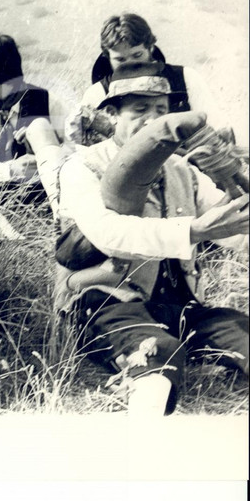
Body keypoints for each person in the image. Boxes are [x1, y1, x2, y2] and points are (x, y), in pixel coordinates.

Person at [56, 63, 249, 415]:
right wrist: (194, 231)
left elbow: (233, 230)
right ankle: (143, 439)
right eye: (140, 109)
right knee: (156, 351)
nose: (153, 119)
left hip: (182, 307)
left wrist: (237, 190)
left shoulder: (182, 168)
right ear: (111, 115)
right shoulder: (82, 167)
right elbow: (108, 233)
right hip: (107, 303)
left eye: (161, 110)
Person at [75, 13, 231, 141]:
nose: (130, 64)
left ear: (150, 48)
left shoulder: (185, 78)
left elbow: (217, 127)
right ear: (107, 57)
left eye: (137, 55)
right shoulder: (97, 94)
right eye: (120, 60)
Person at [0, 34, 66, 217]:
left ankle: (61, 216)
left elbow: (74, 148)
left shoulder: (45, 99)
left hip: (44, 194)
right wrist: (11, 170)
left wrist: (44, 152)